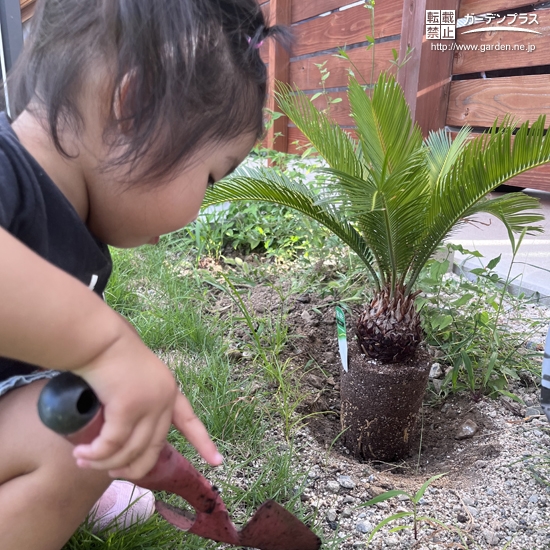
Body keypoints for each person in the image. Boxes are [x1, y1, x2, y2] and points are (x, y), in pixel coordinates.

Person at [0, 1, 286, 548]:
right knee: (69, 449)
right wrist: (105, 346)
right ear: (131, 108)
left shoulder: (79, 231)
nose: (200, 206)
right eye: (210, 176)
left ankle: (59, 479)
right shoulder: (7, 171)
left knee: (87, 431)